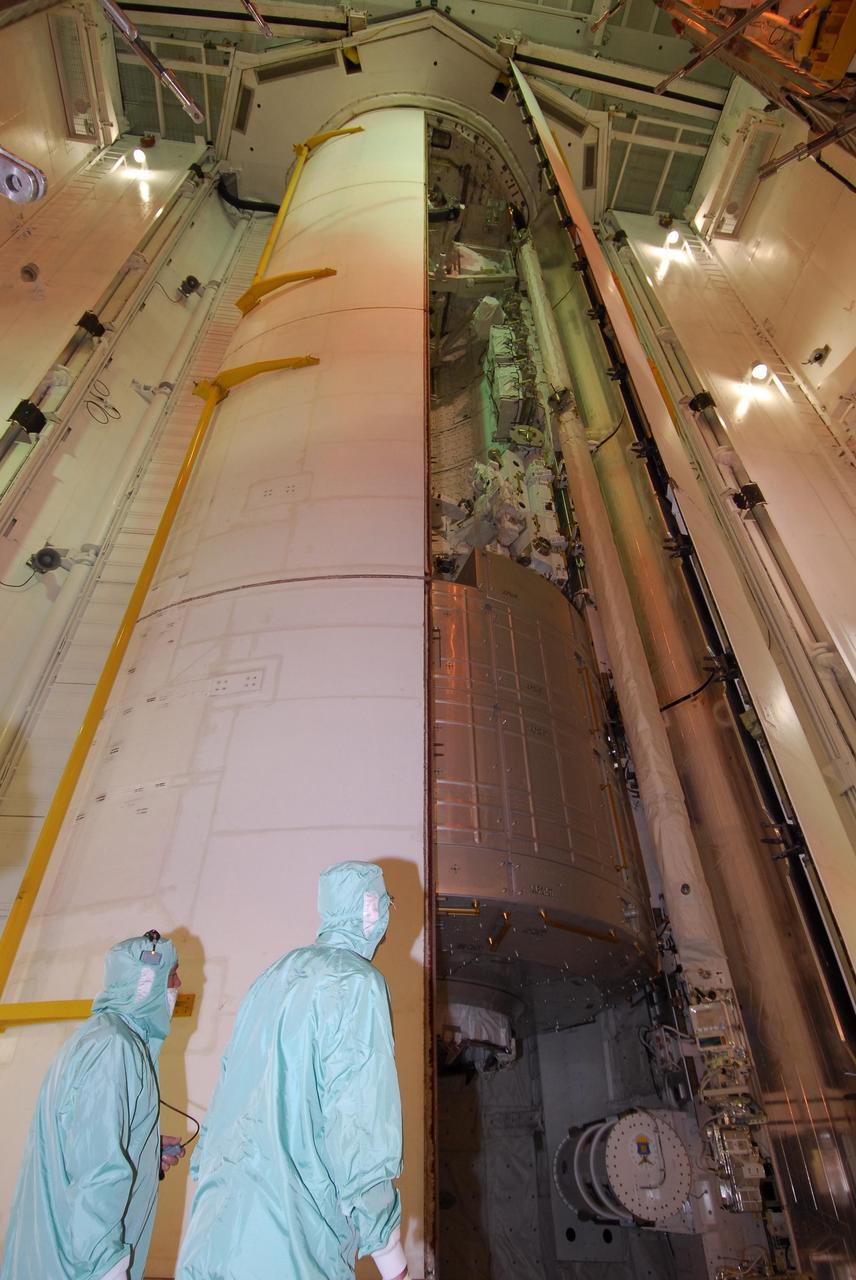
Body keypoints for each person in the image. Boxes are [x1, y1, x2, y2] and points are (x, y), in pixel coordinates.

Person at [176, 861, 408, 1280]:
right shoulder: (357, 984)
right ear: (372, 912)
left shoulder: (269, 979)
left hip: (213, 1237)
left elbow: (226, 1092)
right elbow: (360, 1132)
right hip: (289, 1246)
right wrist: (393, 1261)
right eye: (387, 905)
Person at [1, 930, 186, 1280]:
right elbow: (98, 1168)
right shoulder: (113, 1047)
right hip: (79, 1266)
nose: (179, 982)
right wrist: (107, 1267)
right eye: (172, 973)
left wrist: (144, 1153)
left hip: (60, 1256)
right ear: (147, 981)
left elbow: (85, 1143)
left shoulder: (99, 1037)